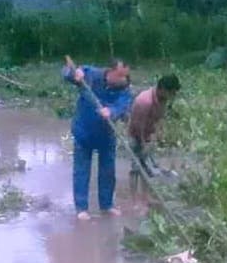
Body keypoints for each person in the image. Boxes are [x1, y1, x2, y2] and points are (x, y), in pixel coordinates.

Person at [62, 56, 133, 221]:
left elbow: (124, 104)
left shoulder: (124, 88)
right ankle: (81, 208)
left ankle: (107, 205)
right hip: (84, 132)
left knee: (108, 171)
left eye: (126, 76)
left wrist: (112, 111)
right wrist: (74, 75)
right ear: (111, 71)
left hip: (107, 134)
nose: (124, 79)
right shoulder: (91, 74)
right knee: (82, 171)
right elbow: (65, 72)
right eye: (121, 75)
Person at [127, 74, 181, 191]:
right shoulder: (144, 101)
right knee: (136, 167)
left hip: (148, 134)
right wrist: (143, 143)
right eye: (171, 92)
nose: (172, 96)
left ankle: (145, 197)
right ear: (162, 89)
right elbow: (138, 126)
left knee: (147, 168)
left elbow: (159, 119)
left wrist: (156, 137)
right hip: (136, 135)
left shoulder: (163, 99)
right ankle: (134, 200)